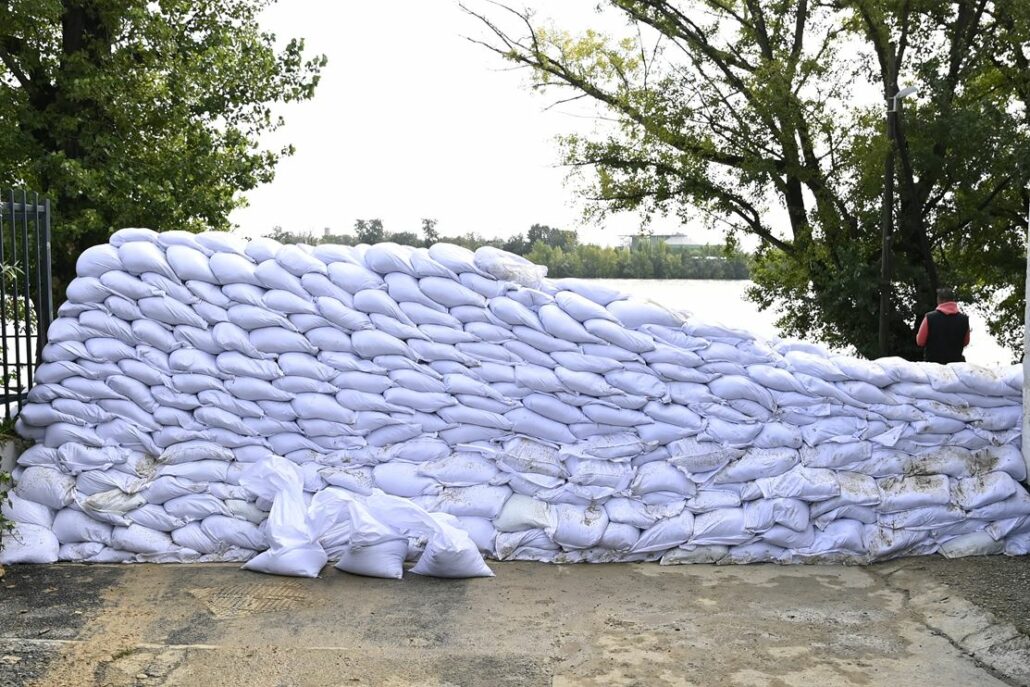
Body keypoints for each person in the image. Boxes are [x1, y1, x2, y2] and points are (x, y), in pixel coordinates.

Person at [915, 287, 970, 364]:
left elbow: (920, 342)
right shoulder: (964, 319)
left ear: (941, 300)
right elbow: (966, 342)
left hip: (933, 366)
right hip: (955, 366)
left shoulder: (930, 317)